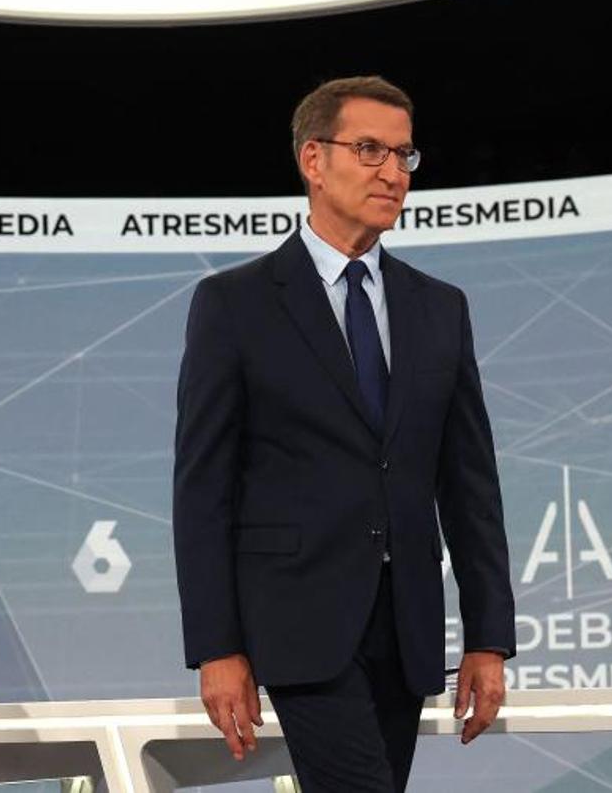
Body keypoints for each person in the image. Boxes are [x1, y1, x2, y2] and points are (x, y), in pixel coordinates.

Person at [172, 75, 516, 792]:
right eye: (370, 150)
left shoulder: (440, 309)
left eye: (404, 155)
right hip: (298, 628)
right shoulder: (233, 305)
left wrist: (488, 637)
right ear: (312, 160)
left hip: (408, 630)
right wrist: (216, 647)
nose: (394, 173)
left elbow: (469, 487)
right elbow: (202, 489)